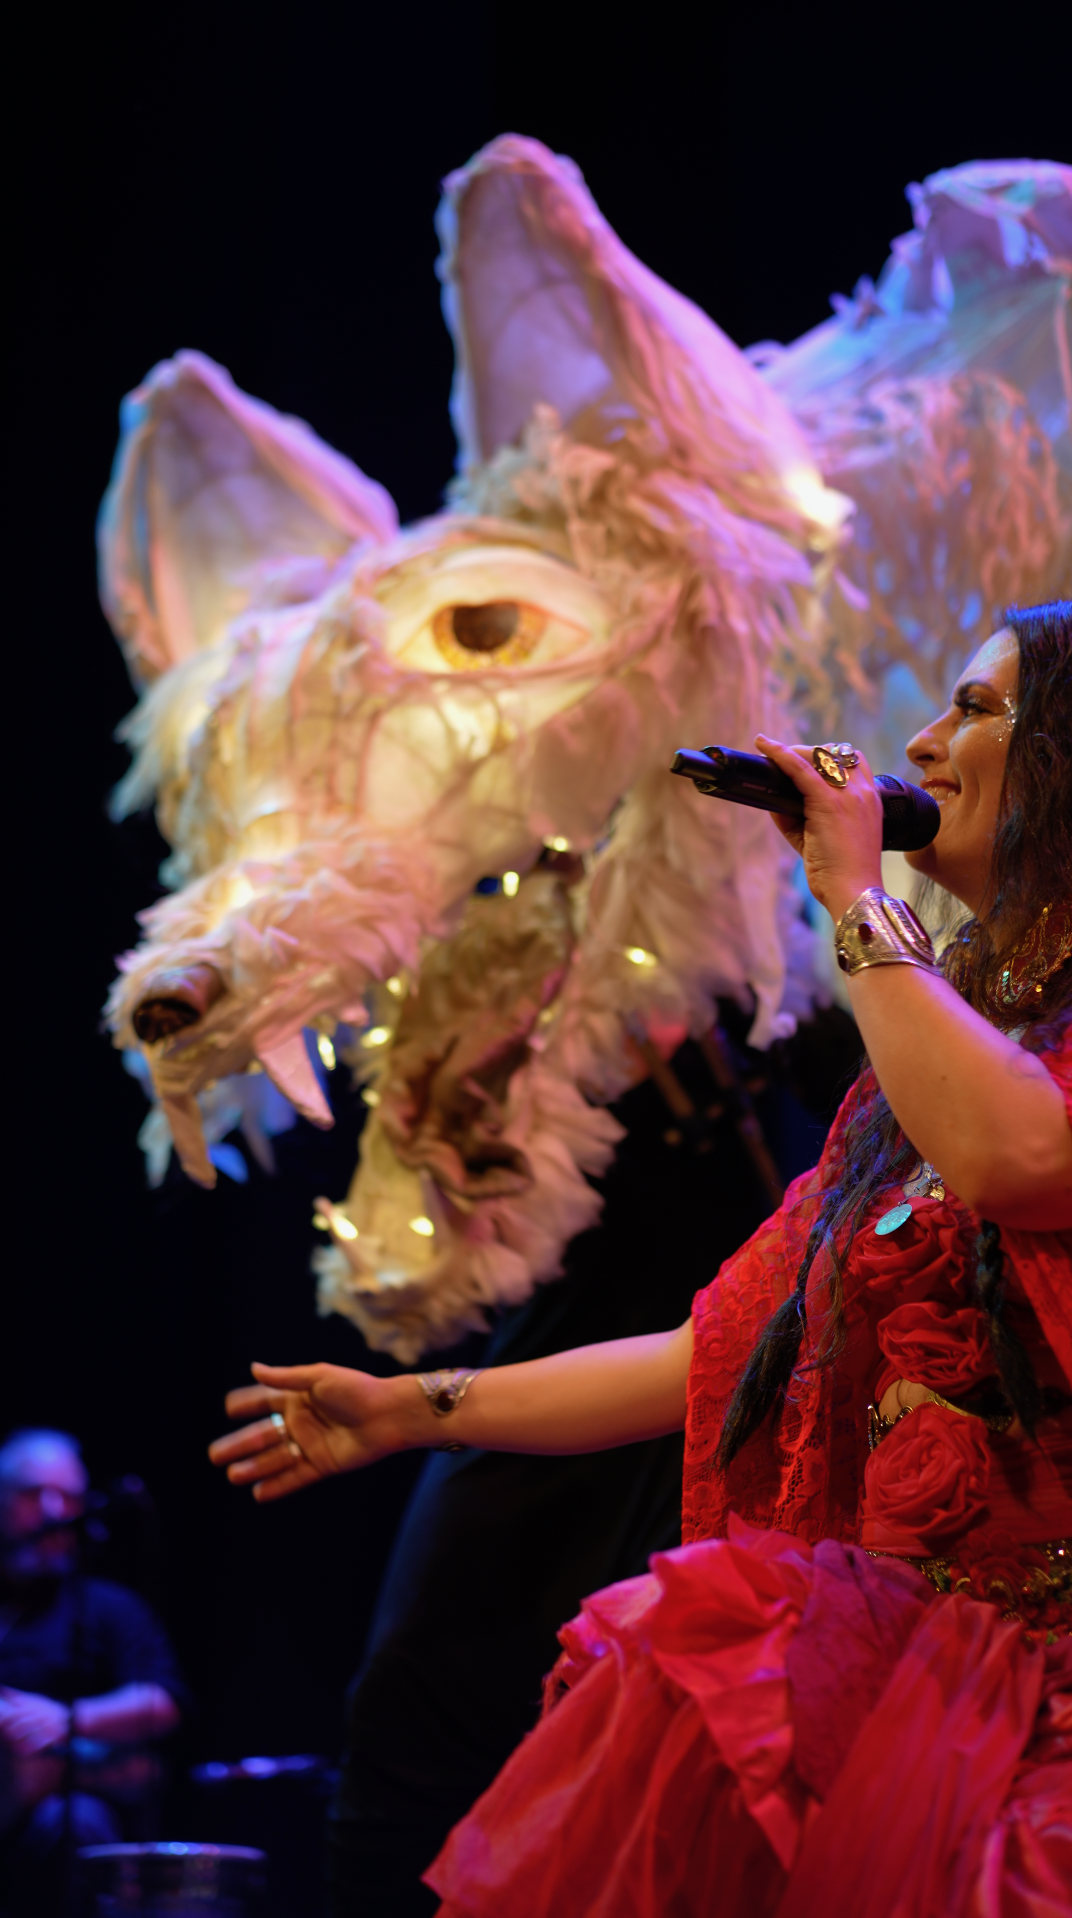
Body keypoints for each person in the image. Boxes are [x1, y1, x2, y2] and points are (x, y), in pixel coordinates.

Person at [210, 600, 1072, 1915]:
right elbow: (712, 1347)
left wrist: (850, 892)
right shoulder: (909, 1081)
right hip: (916, 1682)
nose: (922, 739)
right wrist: (423, 1409)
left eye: (977, 707)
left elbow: (1019, 1157)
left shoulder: (969, 1057)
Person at [0, 1430, 184, 1917]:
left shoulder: (106, 1607)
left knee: (76, 1825)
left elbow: (162, 1701)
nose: (54, 1512)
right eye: (34, 1494)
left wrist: (66, 1718)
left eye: (69, 1498)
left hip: (54, 1810)